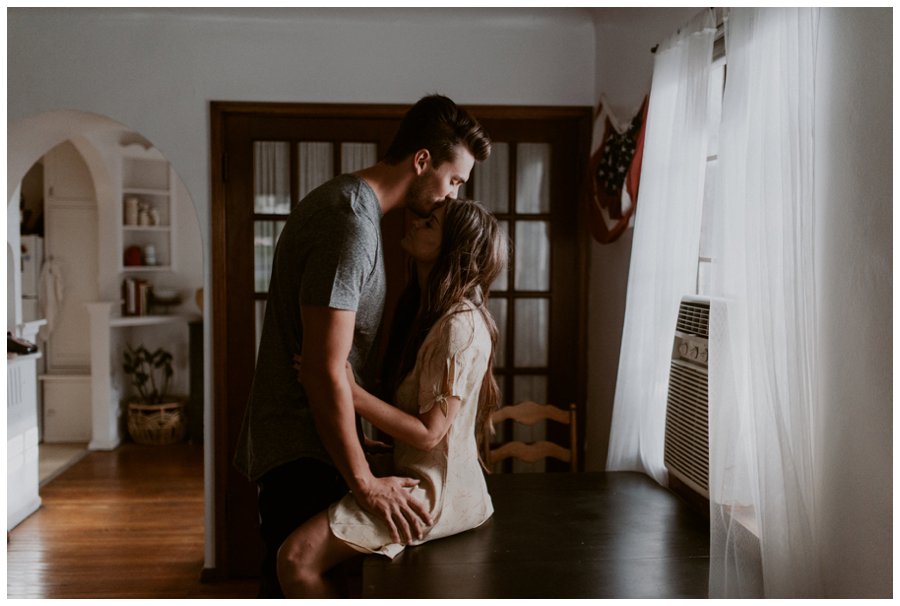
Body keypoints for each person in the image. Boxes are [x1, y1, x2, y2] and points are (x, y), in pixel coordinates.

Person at [233, 95, 492, 598]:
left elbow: (334, 371)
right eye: (454, 180)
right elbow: (323, 371)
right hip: (302, 450)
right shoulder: (350, 223)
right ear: (421, 161)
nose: (452, 199)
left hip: (322, 444)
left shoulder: (356, 215)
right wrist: (366, 484)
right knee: (292, 571)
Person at [277, 198, 508, 598]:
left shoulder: (460, 326)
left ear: (452, 248)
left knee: (295, 559)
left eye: (430, 224)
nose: (417, 224)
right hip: (427, 477)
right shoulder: (426, 312)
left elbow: (429, 434)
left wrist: (347, 390)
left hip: (437, 495)